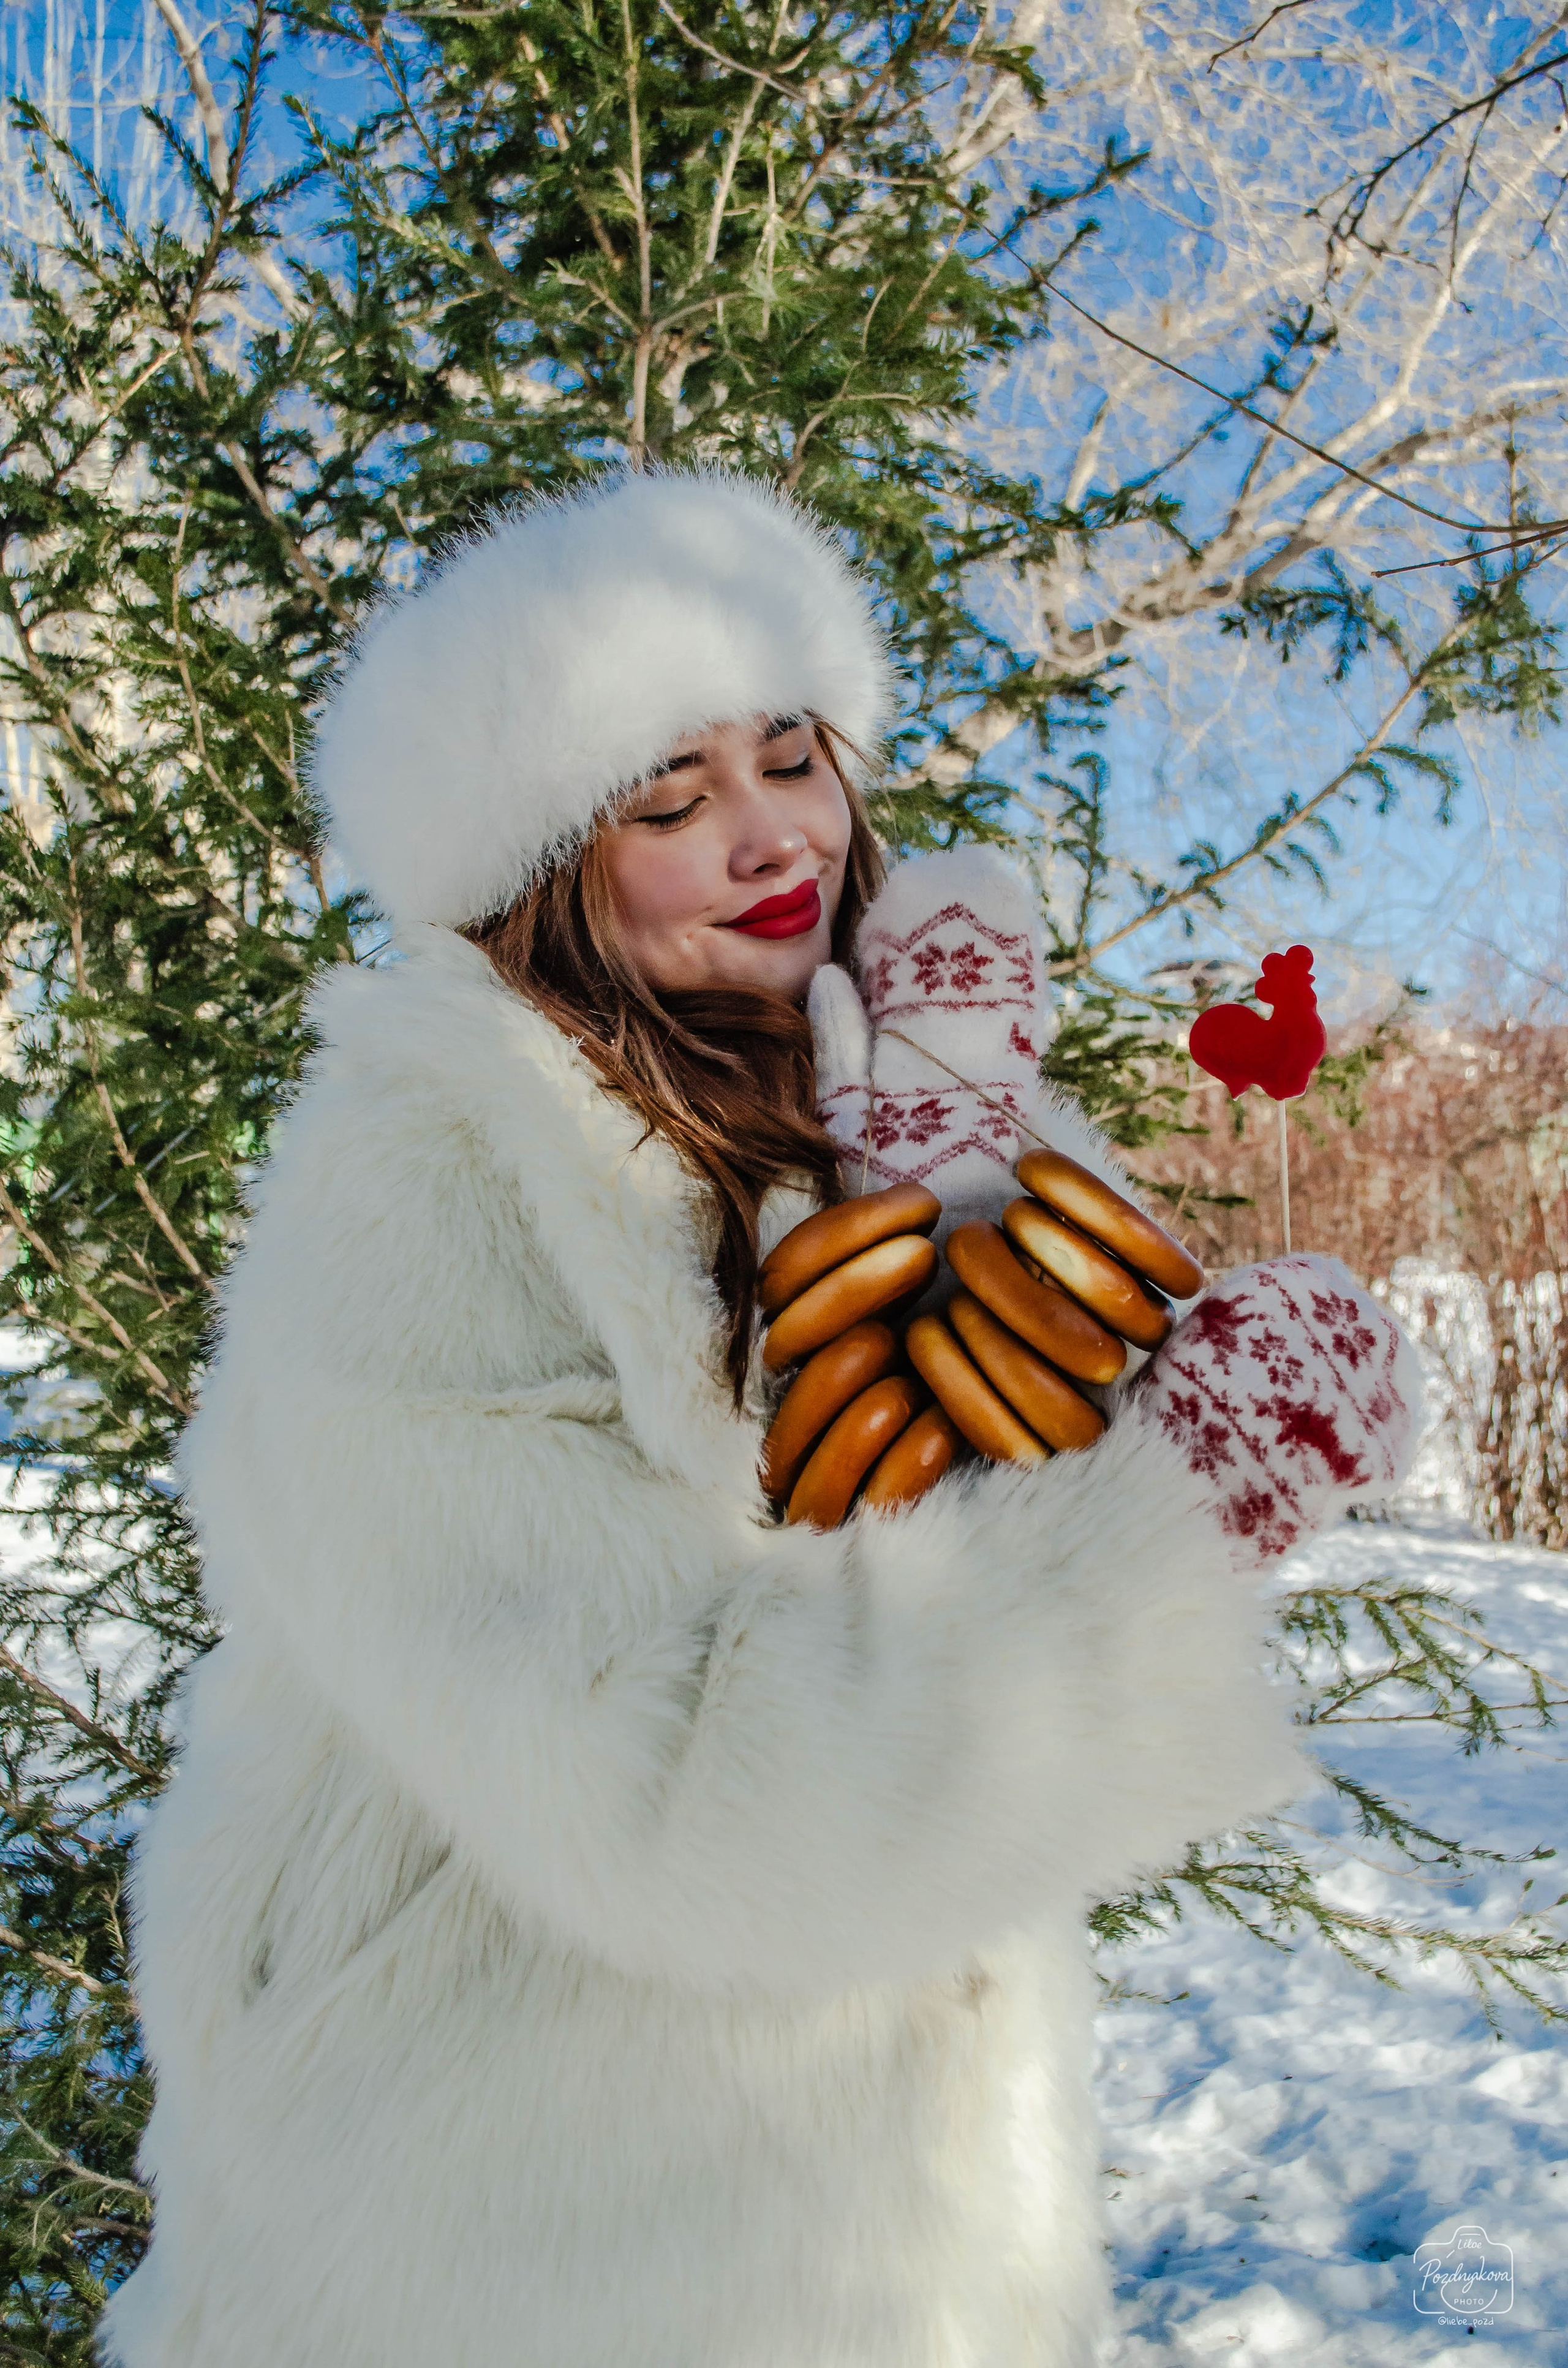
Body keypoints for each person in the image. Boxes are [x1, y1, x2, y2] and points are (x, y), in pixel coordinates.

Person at [99, 469, 1420, 2368]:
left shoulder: (893, 1101)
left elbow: (990, 1468)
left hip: (896, 2225)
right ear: (542, 862)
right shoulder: (424, 1183)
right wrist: (1166, 1517)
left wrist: (1201, 1377)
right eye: (667, 798)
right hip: (508, 2227)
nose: (767, 834)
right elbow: (670, 1773)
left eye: (790, 755)